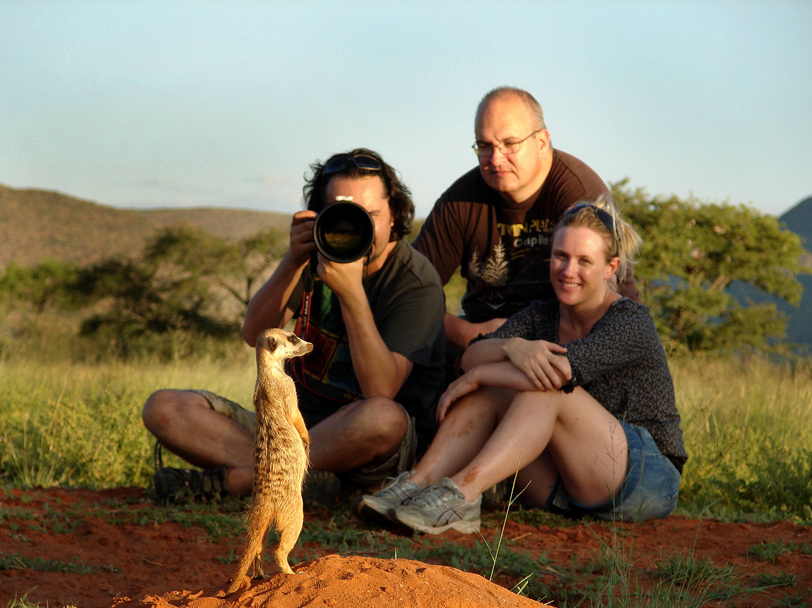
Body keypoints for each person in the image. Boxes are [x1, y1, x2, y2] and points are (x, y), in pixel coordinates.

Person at [358, 197, 686, 533]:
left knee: (544, 388)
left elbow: (560, 373)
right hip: (571, 480)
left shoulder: (630, 320)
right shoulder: (542, 313)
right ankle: (418, 484)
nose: (568, 270)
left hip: (648, 478)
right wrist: (512, 347)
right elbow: (473, 354)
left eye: (584, 261)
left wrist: (483, 373)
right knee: (504, 384)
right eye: (561, 256)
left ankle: (462, 494)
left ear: (611, 268)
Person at [144, 149, 446, 503]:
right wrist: (292, 261)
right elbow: (253, 333)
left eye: (371, 215)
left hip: (368, 448)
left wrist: (351, 294)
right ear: (318, 215)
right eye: (341, 215)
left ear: (395, 215)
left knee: (383, 417)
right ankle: (306, 482)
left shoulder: (415, 281)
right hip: (292, 430)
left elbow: (381, 390)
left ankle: (242, 483)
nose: (355, 226)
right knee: (164, 409)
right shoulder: (314, 255)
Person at [412, 86, 640, 357]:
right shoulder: (460, 200)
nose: (495, 159)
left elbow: (606, 302)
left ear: (542, 141)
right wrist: (465, 333)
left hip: (563, 346)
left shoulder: (579, 196)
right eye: (485, 146)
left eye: (510, 144)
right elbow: (409, 291)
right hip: (480, 340)